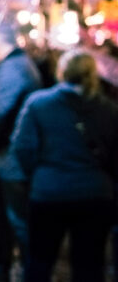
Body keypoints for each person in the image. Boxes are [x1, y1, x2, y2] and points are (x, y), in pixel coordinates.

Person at [11, 50, 118, 282]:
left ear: (61, 71)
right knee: (89, 264)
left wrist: (38, 175)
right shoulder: (109, 110)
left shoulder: (39, 104)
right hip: (95, 194)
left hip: (48, 192)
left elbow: (22, 148)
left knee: (39, 261)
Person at [0, 24, 42, 282]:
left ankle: (28, 273)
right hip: (12, 156)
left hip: (13, 159)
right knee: (9, 219)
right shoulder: (18, 66)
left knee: (16, 221)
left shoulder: (13, 69)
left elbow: (0, 113)